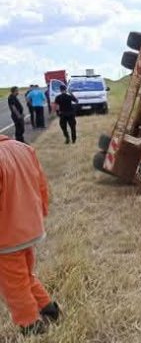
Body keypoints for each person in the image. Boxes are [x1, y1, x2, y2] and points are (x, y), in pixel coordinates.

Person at [0, 135, 60, 336]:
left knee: (14, 286)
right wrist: (41, 212)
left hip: (7, 236)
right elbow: (41, 184)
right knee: (25, 275)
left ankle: (31, 326)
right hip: (31, 228)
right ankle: (49, 310)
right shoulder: (23, 148)